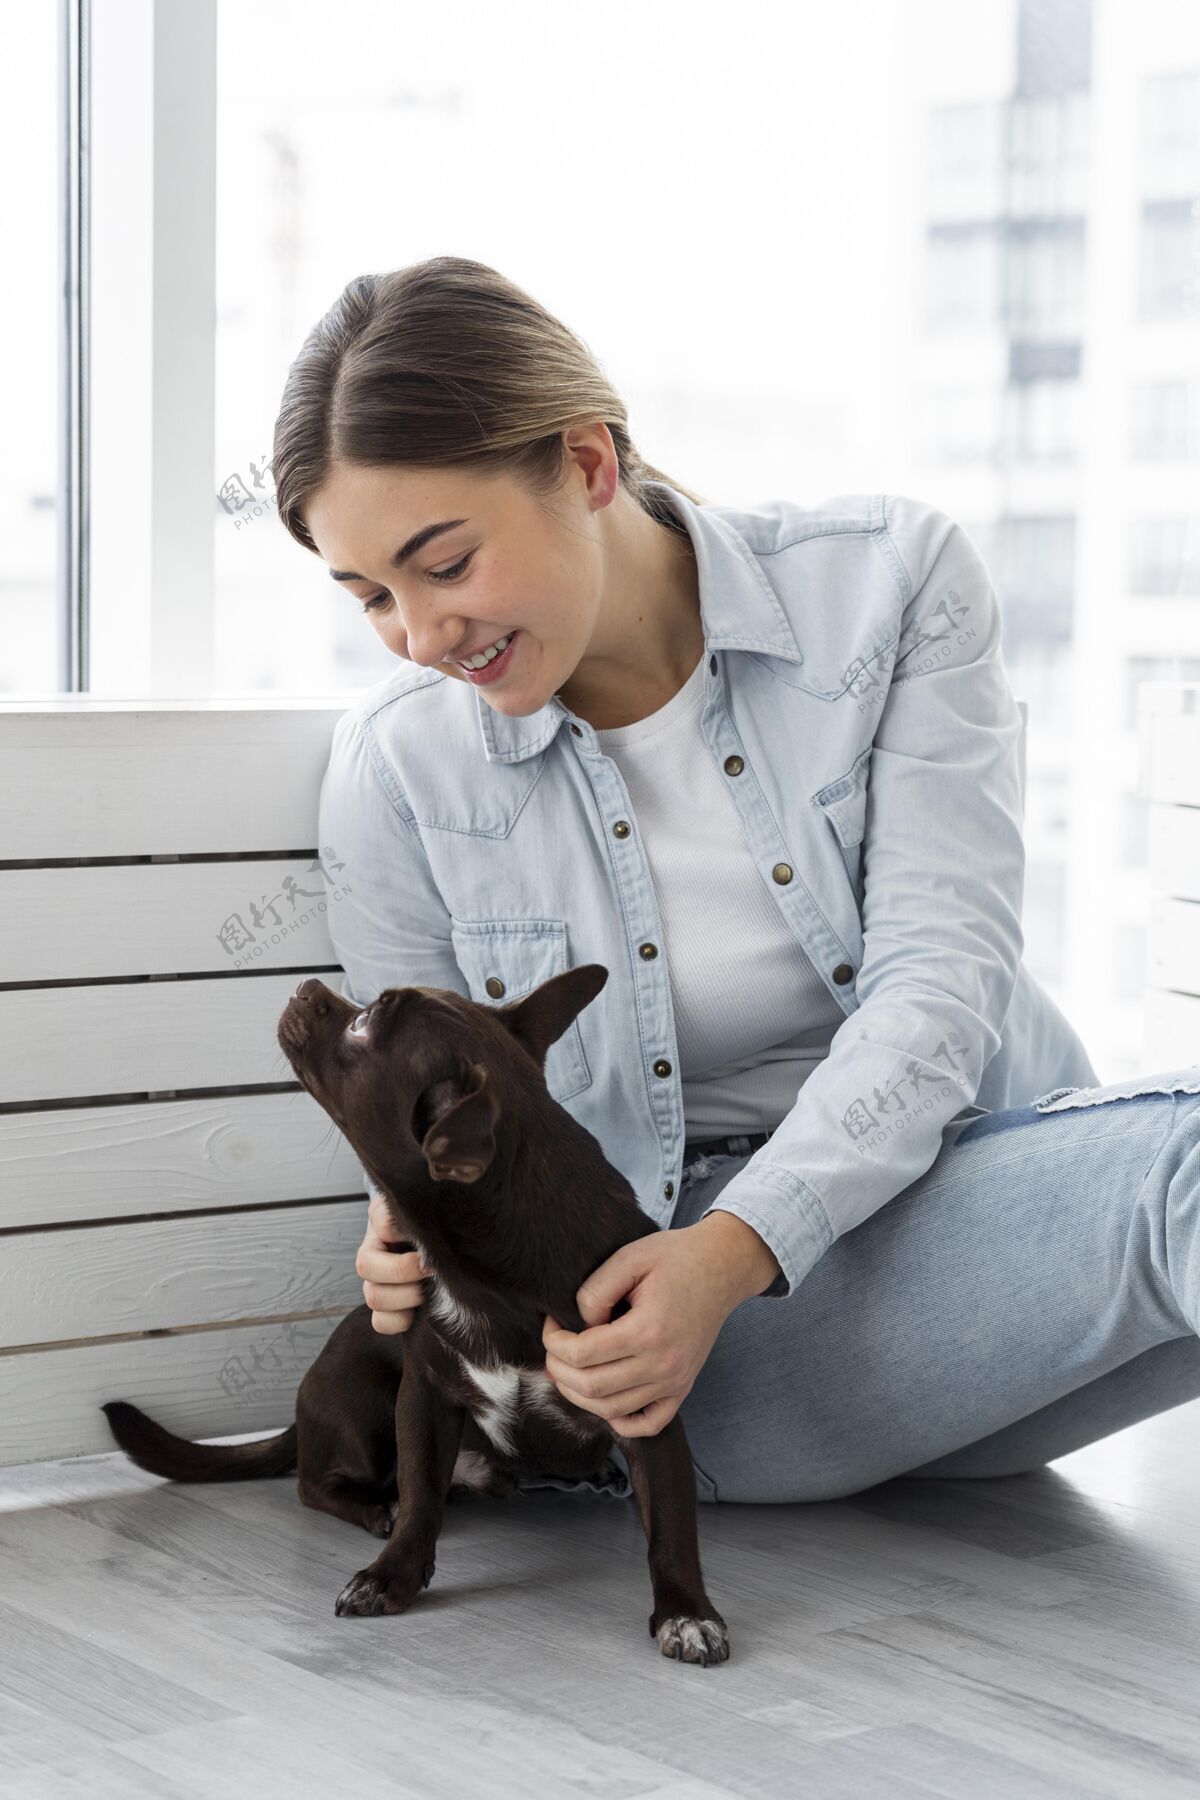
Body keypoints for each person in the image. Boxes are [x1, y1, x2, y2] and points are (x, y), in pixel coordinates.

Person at [269, 255, 1200, 1504]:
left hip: (1000, 1208)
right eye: (371, 595)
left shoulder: (891, 586)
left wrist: (751, 1241)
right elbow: (417, 1105)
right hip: (689, 1325)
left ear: (589, 464)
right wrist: (400, 1238)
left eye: (444, 564)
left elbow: (942, 981)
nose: (421, 636)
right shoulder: (399, 773)